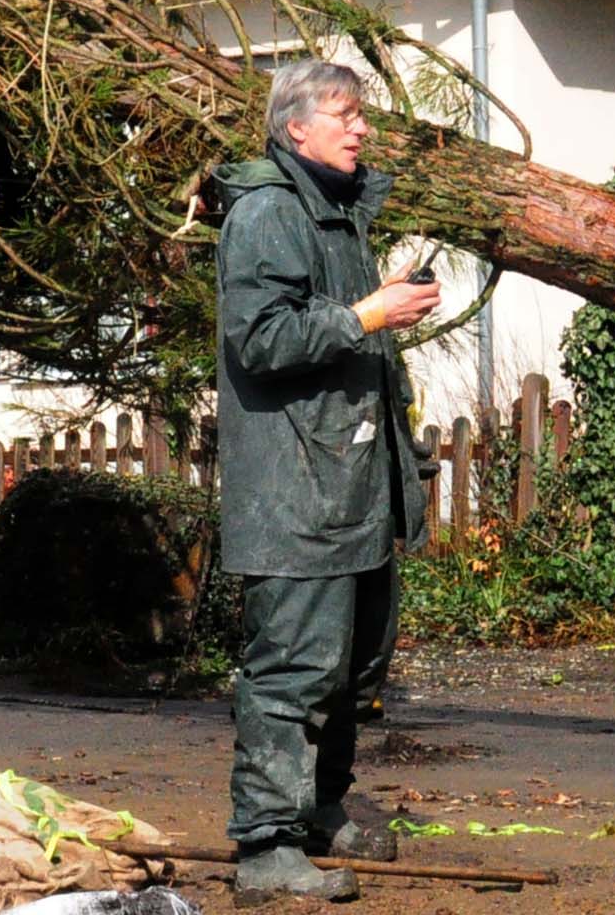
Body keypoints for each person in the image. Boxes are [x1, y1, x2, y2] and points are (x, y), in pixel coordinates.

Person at [213, 60, 442, 904]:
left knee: (352, 663)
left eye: (361, 116)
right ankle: (267, 848)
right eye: (344, 115)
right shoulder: (271, 212)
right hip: (296, 490)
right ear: (294, 127)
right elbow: (261, 341)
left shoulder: (335, 213)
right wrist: (367, 315)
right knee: (293, 669)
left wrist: (381, 304)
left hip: (348, 484)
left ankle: (318, 808)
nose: (361, 130)